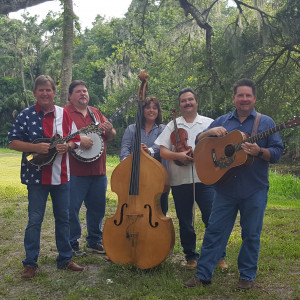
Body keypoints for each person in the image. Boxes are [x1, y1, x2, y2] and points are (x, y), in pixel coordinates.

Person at [184, 78, 284, 290]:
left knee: (251, 234)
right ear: (234, 98)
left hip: (254, 188)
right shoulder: (222, 121)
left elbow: (276, 152)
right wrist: (207, 133)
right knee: (215, 232)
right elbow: (199, 143)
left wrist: (259, 152)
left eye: (248, 95)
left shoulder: (266, 123)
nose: (244, 99)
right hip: (224, 188)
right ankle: (203, 275)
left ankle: (247, 276)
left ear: (254, 98)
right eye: (241, 95)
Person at [8, 75, 84, 279]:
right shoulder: (25, 115)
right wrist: (34, 147)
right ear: (34, 93)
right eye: (40, 90)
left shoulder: (63, 114)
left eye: (48, 90)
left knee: (64, 219)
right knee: (34, 220)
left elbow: (76, 140)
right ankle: (30, 263)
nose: (45, 93)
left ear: (53, 92)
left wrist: (66, 146)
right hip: (35, 176)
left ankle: (65, 258)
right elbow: (12, 142)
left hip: (61, 176)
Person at [155, 88, 227, 269]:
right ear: (179, 105)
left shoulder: (209, 123)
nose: (187, 103)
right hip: (179, 181)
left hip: (206, 180)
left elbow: (219, 150)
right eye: (183, 101)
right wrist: (178, 156)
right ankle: (191, 257)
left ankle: (218, 256)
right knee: (185, 221)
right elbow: (163, 150)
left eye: (190, 99)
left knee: (211, 218)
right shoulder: (172, 125)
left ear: (196, 102)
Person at [64, 80, 116, 257]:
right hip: (75, 172)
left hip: (98, 171)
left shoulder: (96, 113)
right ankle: (72, 243)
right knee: (72, 208)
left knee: (97, 208)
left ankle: (94, 241)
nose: (82, 94)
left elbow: (111, 135)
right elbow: (59, 138)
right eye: (78, 91)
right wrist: (79, 140)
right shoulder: (64, 113)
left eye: (85, 91)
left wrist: (109, 129)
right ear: (71, 96)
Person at [119, 96, 169, 215]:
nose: (151, 110)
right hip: (134, 177)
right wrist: (128, 164)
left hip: (157, 178)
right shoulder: (131, 129)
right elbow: (125, 149)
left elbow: (162, 146)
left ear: (158, 111)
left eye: (154, 108)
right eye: (147, 107)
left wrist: (149, 151)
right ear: (142, 110)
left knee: (159, 211)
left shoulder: (163, 129)